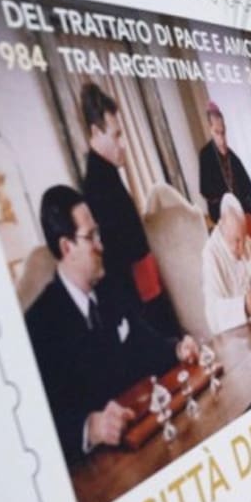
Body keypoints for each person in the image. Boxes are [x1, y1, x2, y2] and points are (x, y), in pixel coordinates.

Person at [24, 185, 198, 463]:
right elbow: (39, 423)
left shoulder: (110, 287)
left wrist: (177, 349)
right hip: (100, 472)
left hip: (146, 438)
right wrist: (90, 428)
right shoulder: (40, 324)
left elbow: (145, 343)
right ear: (67, 247)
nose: (101, 245)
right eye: (91, 237)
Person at [79, 83, 180, 336]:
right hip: (139, 303)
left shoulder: (106, 174)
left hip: (145, 291)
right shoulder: (97, 185)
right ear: (95, 132)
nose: (122, 144)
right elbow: (117, 263)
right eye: (116, 135)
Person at [202, 193, 251, 334]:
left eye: (244, 238)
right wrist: (243, 305)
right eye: (237, 241)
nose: (242, 246)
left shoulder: (244, 240)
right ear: (221, 227)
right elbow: (213, 314)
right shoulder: (211, 254)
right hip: (237, 337)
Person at [198, 101, 251, 243]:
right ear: (210, 130)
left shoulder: (233, 157)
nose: (222, 138)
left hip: (243, 216)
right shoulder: (205, 155)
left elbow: (249, 189)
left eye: (223, 132)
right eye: (217, 133)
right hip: (224, 217)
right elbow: (206, 190)